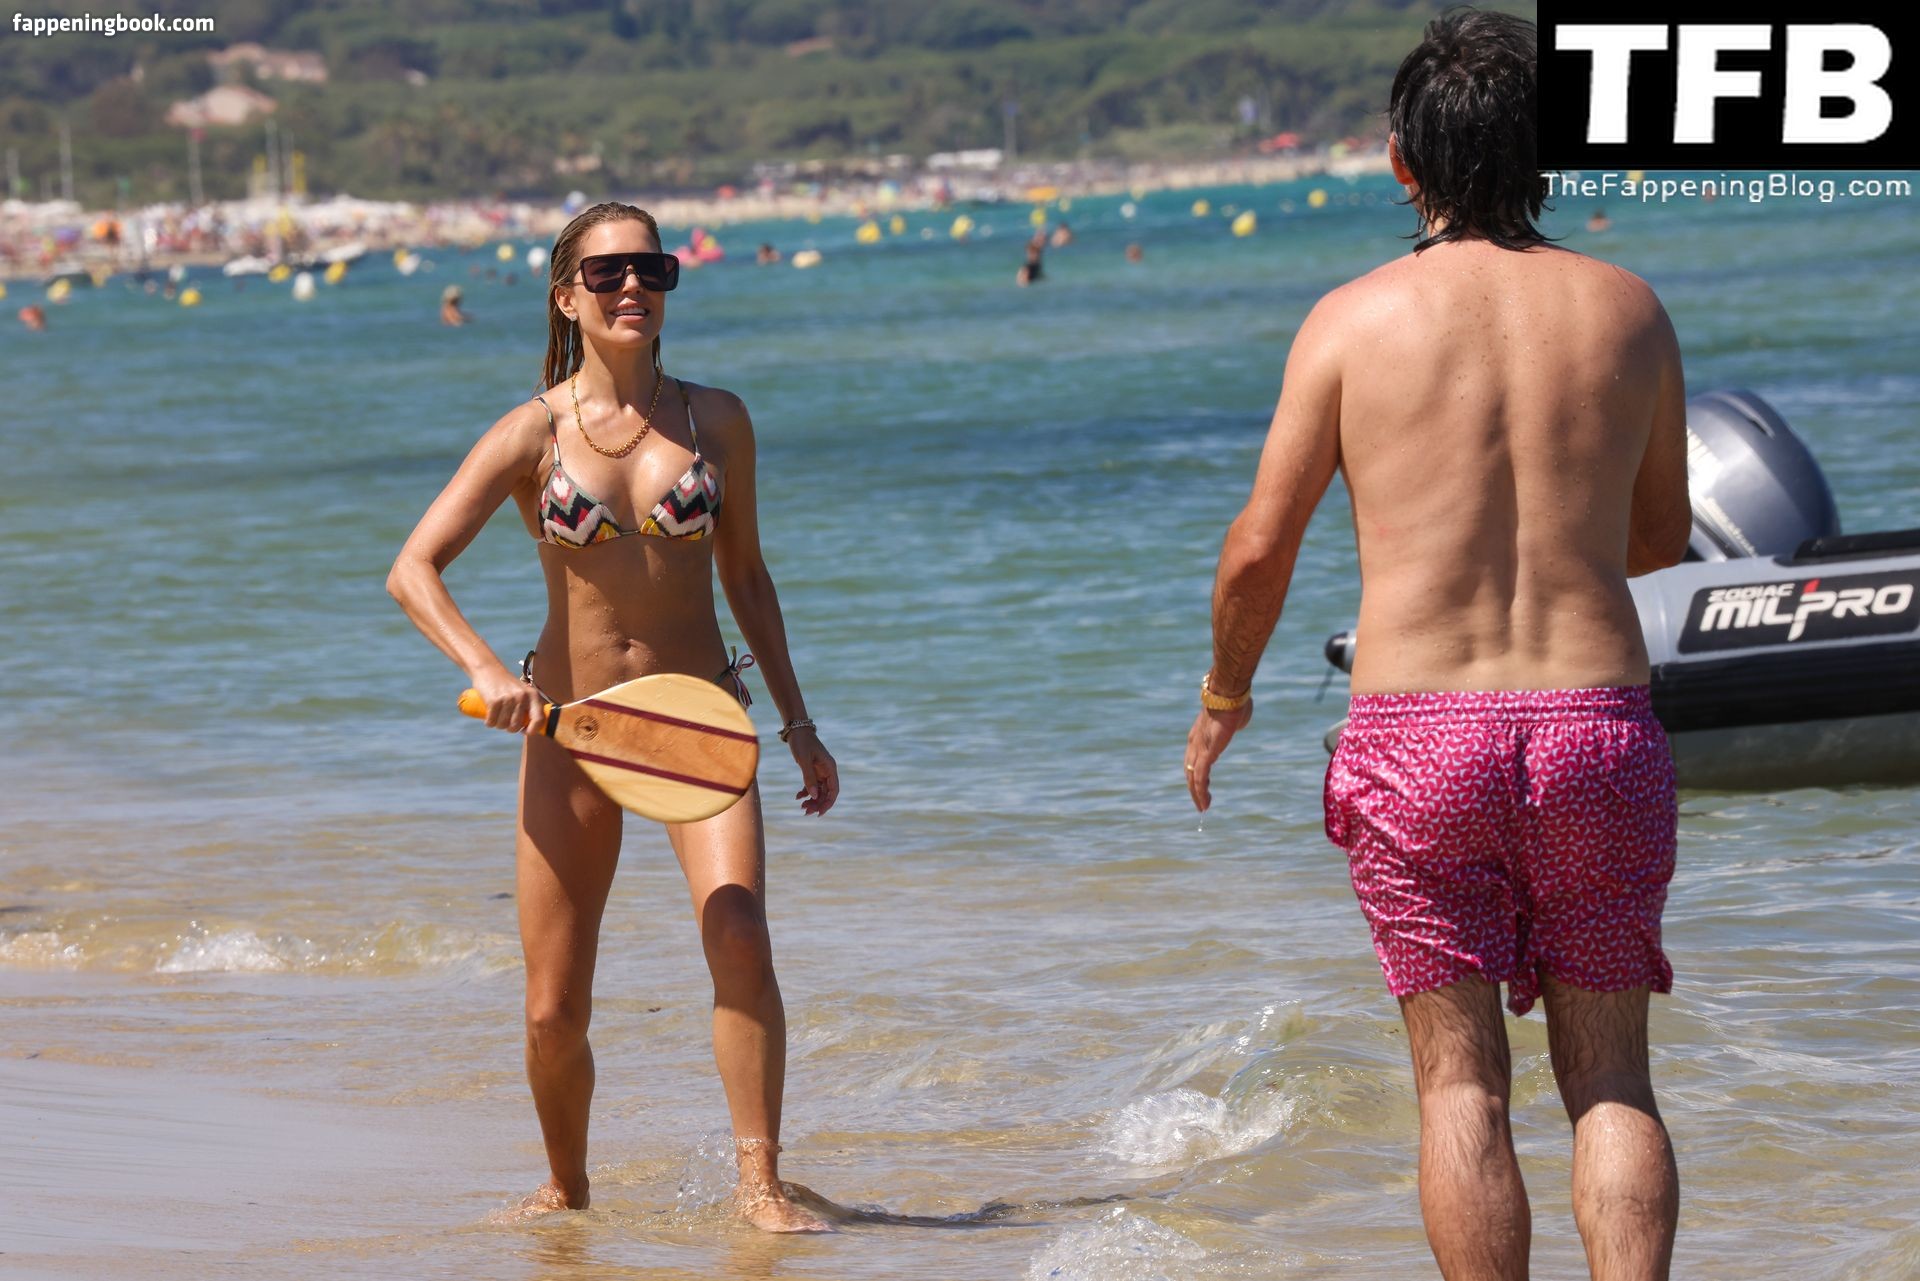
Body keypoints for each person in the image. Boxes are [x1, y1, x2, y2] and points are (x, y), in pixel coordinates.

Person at [1183, 11, 1689, 1280]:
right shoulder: (1630, 311)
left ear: (1404, 163)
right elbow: (1660, 536)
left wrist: (1224, 694)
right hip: (1594, 727)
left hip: (1421, 741)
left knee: (1461, 1088)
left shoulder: (1350, 321)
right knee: (1612, 1078)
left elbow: (1257, 548)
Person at [388, 202, 839, 1233]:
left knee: (740, 934)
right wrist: (486, 668)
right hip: (572, 732)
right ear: (567, 297)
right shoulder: (532, 433)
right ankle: (568, 1188)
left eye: (652, 267)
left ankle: (760, 1184)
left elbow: (748, 577)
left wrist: (800, 724)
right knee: (553, 1005)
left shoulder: (717, 421)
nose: (633, 285)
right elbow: (413, 569)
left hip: (698, 726)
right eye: (606, 272)